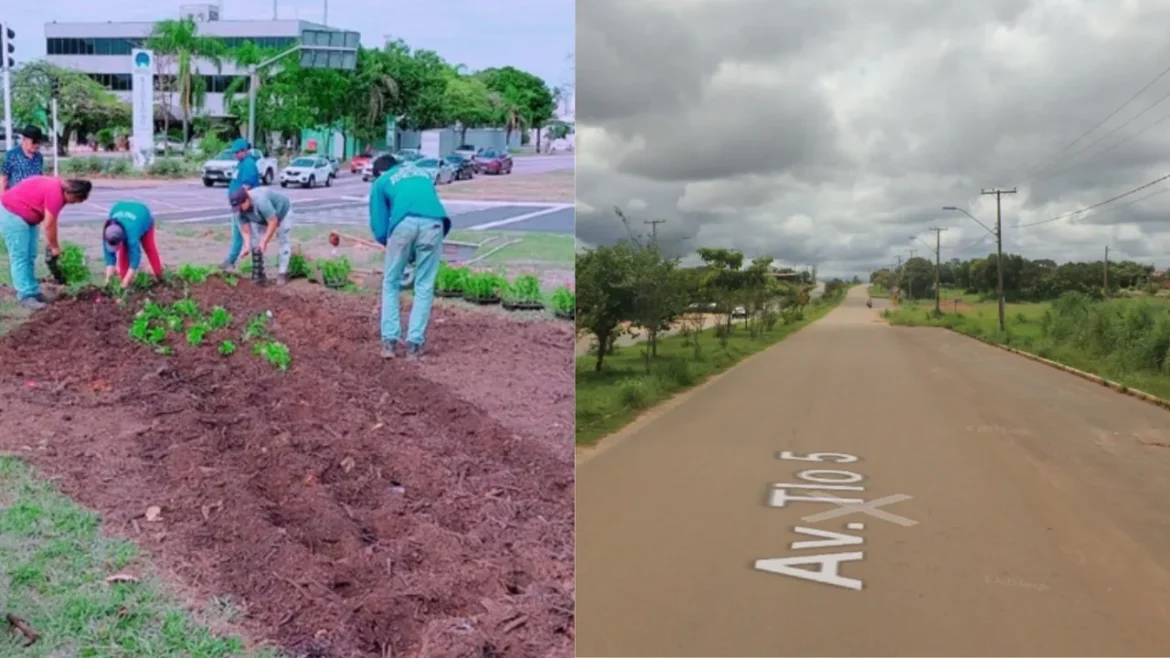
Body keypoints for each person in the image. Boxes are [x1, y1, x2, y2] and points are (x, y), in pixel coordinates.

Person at [368, 154, 451, 361]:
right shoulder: (422, 173)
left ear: (380, 172)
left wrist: (388, 243)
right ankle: (414, 345)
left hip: (403, 225)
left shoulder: (382, 181)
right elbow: (429, 204)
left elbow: (379, 222)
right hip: (435, 224)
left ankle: (389, 341)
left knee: (391, 282)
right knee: (424, 285)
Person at [0, 176, 92, 310]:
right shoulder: (56, 194)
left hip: (27, 216)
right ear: (71, 193)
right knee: (20, 257)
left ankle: (33, 291)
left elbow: (50, 222)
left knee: (30, 255)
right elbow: (49, 224)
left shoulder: (60, 187)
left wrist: (52, 243)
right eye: (75, 200)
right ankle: (25, 296)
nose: (73, 203)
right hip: (12, 213)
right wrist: (54, 247)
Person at [228, 186, 292, 285]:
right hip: (262, 217)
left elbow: (273, 221)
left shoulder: (261, 200)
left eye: (240, 206)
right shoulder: (239, 211)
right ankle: (259, 274)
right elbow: (246, 231)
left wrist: (264, 241)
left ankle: (283, 272)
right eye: (237, 208)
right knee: (256, 242)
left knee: (283, 239)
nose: (239, 210)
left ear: (247, 199)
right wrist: (246, 246)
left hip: (282, 211)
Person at [102, 200, 165, 289]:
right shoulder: (108, 230)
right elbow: (109, 255)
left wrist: (126, 280)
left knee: (148, 247)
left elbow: (135, 258)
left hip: (142, 216)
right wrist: (108, 279)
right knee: (123, 250)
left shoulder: (132, 235)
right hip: (122, 210)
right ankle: (123, 278)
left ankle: (159, 276)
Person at [222, 138, 261, 270]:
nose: (235, 155)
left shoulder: (248, 164)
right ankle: (230, 260)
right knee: (238, 232)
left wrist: (238, 202)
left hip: (244, 204)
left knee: (246, 233)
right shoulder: (241, 163)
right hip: (237, 204)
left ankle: (255, 263)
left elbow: (247, 186)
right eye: (234, 152)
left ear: (244, 151)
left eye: (237, 152)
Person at [1, 126, 46, 192]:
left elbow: (40, 175)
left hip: (35, 195)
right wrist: (2, 196)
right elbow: (3, 179)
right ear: (24, 139)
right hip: (16, 195)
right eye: (34, 142)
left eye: (39, 142)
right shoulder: (11, 155)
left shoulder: (39, 157)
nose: (37, 145)